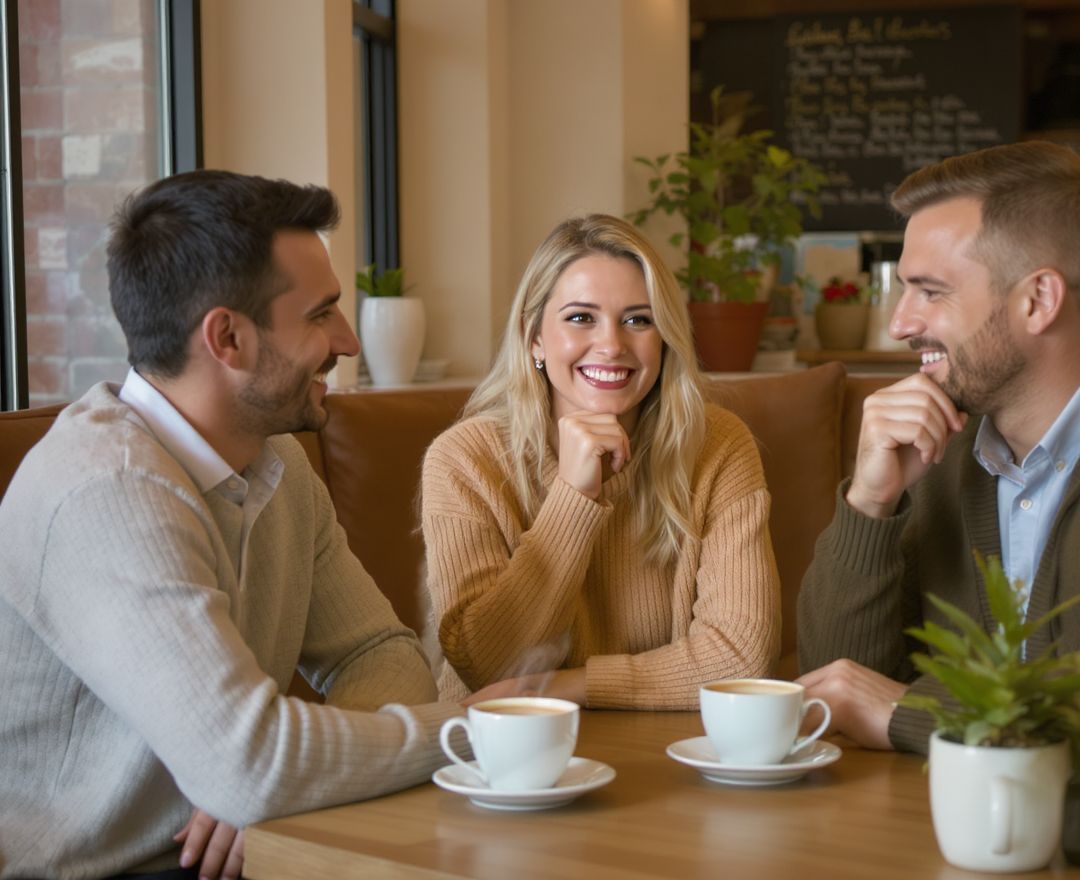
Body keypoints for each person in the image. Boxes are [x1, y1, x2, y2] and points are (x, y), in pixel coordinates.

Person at [0, 171, 463, 880]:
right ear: (228, 337)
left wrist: (281, 781)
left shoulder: (276, 463)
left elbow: (378, 652)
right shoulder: (107, 490)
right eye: (321, 314)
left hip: (239, 858)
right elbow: (248, 768)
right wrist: (472, 730)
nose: (346, 340)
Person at [796, 140, 1080, 790]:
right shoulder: (942, 445)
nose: (899, 324)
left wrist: (905, 710)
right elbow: (836, 691)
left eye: (930, 291)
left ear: (1038, 300)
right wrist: (871, 503)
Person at [420, 214, 780, 710]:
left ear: (664, 337)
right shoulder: (465, 460)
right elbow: (486, 668)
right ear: (534, 337)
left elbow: (743, 657)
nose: (612, 345)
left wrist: (570, 685)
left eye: (638, 319)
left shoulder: (716, 444)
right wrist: (573, 496)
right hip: (507, 747)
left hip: (667, 746)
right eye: (580, 318)